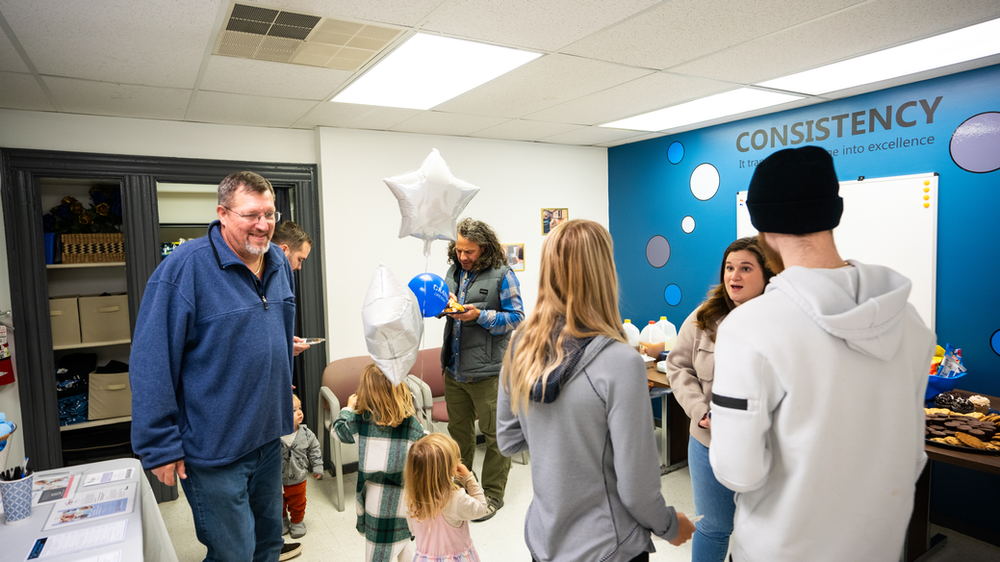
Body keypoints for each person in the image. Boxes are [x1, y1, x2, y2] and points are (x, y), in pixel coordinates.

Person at [709, 146, 936, 562]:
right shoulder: (911, 322)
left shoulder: (750, 327)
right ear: (835, 215)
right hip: (877, 548)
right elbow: (912, 452)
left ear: (763, 233)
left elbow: (737, 471)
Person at [497, 219, 695, 562]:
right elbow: (637, 491)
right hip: (609, 548)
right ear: (604, 272)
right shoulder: (621, 361)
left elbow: (508, 440)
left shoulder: (520, 345)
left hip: (544, 542)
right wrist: (669, 527)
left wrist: (557, 439)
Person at [130, 171, 302, 562]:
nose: (263, 225)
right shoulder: (184, 269)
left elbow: (267, 329)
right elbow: (151, 360)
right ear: (223, 214)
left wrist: (280, 373)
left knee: (268, 546)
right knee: (234, 554)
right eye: (251, 214)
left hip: (267, 438)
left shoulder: (275, 259)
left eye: (270, 214)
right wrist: (158, 446)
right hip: (214, 450)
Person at [665, 236, 774, 562]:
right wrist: (699, 411)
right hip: (708, 442)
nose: (734, 276)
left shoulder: (780, 322)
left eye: (745, 268)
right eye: (729, 268)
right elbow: (678, 365)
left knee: (764, 531)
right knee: (713, 527)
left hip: (765, 447)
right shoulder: (705, 317)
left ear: (767, 275)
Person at [440, 217, 524, 521]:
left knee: (496, 437)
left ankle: (491, 495)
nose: (463, 257)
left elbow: (517, 318)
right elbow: (446, 305)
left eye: (469, 252)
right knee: (458, 435)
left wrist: (481, 315)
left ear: (484, 248)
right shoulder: (454, 271)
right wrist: (441, 306)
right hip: (454, 369)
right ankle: (461, 489)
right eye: (459, 250)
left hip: (488, 374)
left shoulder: (504, 275)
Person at [334, 363, 427, 562]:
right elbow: (424, 451)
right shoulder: (411, 423)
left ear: (365, 392)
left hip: (375, 499)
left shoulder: (360, 420)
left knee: (377, 550)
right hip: (405, 496)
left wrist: (348, 409)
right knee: (403, 539)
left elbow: (338, 431)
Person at [403, 433, 489, 562]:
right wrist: (468, 479)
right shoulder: (455, 498)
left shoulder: (411, 498)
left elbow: (413, 530)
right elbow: (482, 508)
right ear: (450, 470)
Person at [280, 394, 323, 539]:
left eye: (300, 408)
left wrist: (317, 467)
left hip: (298, 478)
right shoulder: (274, 436)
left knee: (298, 503)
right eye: (293, 410)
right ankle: (282, 521)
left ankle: (297, 522)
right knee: (277, 503)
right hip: (276, 481)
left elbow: (315, 450)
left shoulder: (306, 434)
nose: (299, 412)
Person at [271, 220, 314, 357]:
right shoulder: (261, 281)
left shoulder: (280, 281)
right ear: (283, 250)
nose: (300, 267)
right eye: (300, 259)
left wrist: (285, 342)